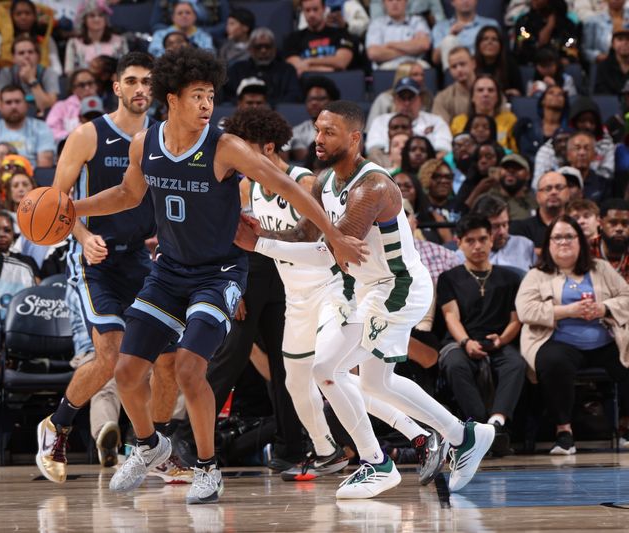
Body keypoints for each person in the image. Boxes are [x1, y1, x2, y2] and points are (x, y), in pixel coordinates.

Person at [70, 47, 361, 504]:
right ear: (172, 98)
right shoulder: (145, 143)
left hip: (219, 271)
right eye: (198, 95)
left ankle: (207, 466)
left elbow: (287, 187)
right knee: (127, 371)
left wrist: (335, 237)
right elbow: (128, 194)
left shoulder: (224, 146)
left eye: (210, 95)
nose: (207, 105)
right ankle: (150, 446)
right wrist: (74, 208)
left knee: (188, 367)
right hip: (168, 270)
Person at [234, 100, 494, 498]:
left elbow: (329, 252)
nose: (318, 139)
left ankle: (380, 462)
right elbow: (306, 236)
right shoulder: (324, 181)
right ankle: (461, 436)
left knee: (333, 370)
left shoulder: (372, 187)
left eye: (329, 132)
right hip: (359, 288)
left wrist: (259, 245)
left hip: (395, 288)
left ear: (354, 138)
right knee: (367, 382)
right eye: (318, 131)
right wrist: (264, 236)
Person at [34, 52, 187, 484]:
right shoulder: (87, 135)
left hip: (140, 256)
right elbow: (54, 204)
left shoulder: (163, 137)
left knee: (169, 360)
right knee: (111, 355)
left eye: (148, 82)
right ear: (117, 87)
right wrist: (83, 237)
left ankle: (153, 449)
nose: (141, 89)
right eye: (133, 81)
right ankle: (57, 427)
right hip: (93, 259)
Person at [516, 214, 629, 454]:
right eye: (557, 237)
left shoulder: (601, 268)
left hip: (605, 339)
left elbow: (626, 297)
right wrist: (567, 311)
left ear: (581, 241)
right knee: (553, 361)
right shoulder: (537, 274)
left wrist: (604, 307)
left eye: (570, 236)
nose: (564, 242)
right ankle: (564, 431)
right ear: (548, 243)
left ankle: (626, 427)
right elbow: (525, 310)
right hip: (558, 340)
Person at [437, 214, 525, 456]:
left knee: (515, 364)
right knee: (455, 364)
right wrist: (465, 342)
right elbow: (450, 316)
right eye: (470, 240)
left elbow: (516, 318)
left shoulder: (510, 277)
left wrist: (503, 339)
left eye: (483, 239)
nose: (477, 246)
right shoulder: (449, 278)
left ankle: (496, 423)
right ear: (459, 243)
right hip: (461, 340)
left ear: (491, 240)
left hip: (498, 340)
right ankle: (480, 427)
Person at [365, 78, 452, 156]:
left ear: (420, 100)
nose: (406, 103)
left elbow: (444, 151)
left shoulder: (436, 121)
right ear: (395, 100)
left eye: (411, 98)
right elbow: (373, 151)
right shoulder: (380, 121)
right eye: (402, 98)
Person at [223, 27, 301, 105]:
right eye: (258, 47)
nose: (263, 50)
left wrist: (270, 105)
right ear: (250, 49)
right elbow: (227, 96)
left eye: (267, 46)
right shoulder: (237, 69)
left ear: (274, 49)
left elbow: (293, 95)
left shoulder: (287, 70)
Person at [0, 0, 62, 75]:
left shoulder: (46, 40)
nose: (23, 17)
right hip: (7, 83)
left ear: (35, 16)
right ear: (11, 17)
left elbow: (57, 69)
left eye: (27, 13)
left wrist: (44, 76)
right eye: (18, 14)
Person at [283, 0, 355, 77]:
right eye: (307, 10)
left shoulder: (341, 34)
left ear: (324, 9)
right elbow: (296, 67)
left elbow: (341, 62)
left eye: (315, 9)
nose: (311, 14)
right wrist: (329, 69)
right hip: (306, 83)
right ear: (302, 11)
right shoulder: (293, 38)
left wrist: (309, 62)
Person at [0, 85, 55, 168]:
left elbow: (44, 166)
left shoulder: (42, 128)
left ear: (26, 105)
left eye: (17, 101)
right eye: (8, 102)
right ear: (1, 106)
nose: (13, 106)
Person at [0, 34, 59, 117]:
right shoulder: (7, 72)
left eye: (30, 52)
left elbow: (50, 107)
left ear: (38, 56)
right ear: (13, 58)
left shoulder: (48, 72)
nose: (26, 56)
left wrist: (32, 80)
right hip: (15, 119)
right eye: (21, 53)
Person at [450, 75, 518, 152]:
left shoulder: (509, 119)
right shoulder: (459, 121)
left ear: (497, 97)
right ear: (472, 97)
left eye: (491, 90)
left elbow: (515, 152)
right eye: (480, 90)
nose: (486, 94)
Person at [469, 194, 536, 272]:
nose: (502, 232)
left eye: (505, 224)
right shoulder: (464, 254)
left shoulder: (525, 245)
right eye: (495, 226)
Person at [64, 0, 128, 75]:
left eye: (101, 15)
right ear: (84, 20)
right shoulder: (74, 44)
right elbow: (69, 72)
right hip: (86, 85)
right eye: (92, 15)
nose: (96, 19)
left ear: (106, 19)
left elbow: (126, 69)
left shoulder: (120, 41)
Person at [431, 0, 498, 69]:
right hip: (455, 71)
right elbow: (436, 60)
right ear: (453, 2)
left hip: (482, 68)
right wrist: (451, 35)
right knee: (449, 40)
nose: (465, 1)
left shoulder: (490, 24)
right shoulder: (441, 27)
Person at [366, 0, 431, 70]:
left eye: (399, 0)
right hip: (388, 66)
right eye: (390, 0)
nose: (395, 3)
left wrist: (391, 45)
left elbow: (424, 45)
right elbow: (373, 53)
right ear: (383, 4)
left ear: (406, 2)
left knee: (424, 67)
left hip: (415, 64)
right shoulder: (376, 24)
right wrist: (410, 49)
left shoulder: (417, 21)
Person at [513, 171, 571, 249]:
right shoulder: (521, 229)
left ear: (568, 193)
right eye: (548, 189)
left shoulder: (578, 226)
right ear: (537, 196)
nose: (554, 192)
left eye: (559, 188)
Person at [513, 0, 581, 65]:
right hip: (530, 67)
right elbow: (521, 52)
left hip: (561, 69)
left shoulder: (567, 25)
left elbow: (572, 53)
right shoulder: (524, 22)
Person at [45, 69, 98, 142]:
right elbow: (50, 132)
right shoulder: (61, 107)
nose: (87, 88)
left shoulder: (107, 105)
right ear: (73, 89)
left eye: (90, 83)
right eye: (81, 85)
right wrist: (76, 135)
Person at [148, 1, 214, 57]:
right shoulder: (159, 35)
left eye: (188, 13)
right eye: (180, 13)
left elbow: (210, 56)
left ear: (195, 16)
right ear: (173, 17)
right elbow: (154, 55)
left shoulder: (204, 37)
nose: (184, 16)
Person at [474, 26, 522, 96]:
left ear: (501, 45)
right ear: (478, 44)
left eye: (494, 39)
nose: (489, 42)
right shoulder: (472, 64)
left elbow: (519, 92)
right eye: (485, 39)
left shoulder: (510, 64)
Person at [432, 46, 476, 124]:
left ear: (473, 63)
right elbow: (441, 129)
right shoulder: (442, 98)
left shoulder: (490, 89)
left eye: (462, 64)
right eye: (454, 66)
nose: (459, 69)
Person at [591, 198, 629, 283]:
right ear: (600, 223)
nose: (619, 229)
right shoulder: (586, 251)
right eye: (613, 223)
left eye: (625, 223)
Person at [594, 28, 629, 95]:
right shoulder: (603, 67)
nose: (625, 42)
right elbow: (600, 95)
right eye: (620, 39)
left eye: (628, 39)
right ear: (613, 44)